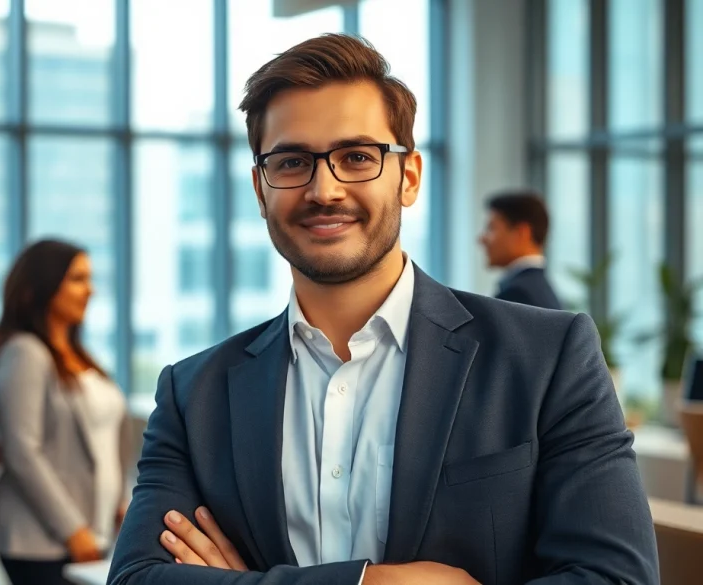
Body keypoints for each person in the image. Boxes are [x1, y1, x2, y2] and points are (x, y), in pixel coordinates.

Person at [107, 34, 658, 585]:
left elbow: (618, 578)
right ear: (260, 188)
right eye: (293, 161)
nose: (324, 189)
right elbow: (134, 579)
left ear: (409, 176)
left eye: (356, 158)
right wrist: (372, 583)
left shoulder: (546, 357)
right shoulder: (193, 394)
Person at [0, 240, 133, 585]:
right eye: (77, 279)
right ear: (43, 287)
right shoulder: (25, 353)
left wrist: (121, 502)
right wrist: (72, 530)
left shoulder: (82, 356)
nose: (90, 290)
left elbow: (105, 443)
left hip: (94, 530)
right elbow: (22, 452)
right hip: (42, 541)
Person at [478, 190, 562, 309]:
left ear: (522, 233)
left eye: (491, 228)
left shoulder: (519, 294)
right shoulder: (536, 288)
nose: (482, 239)